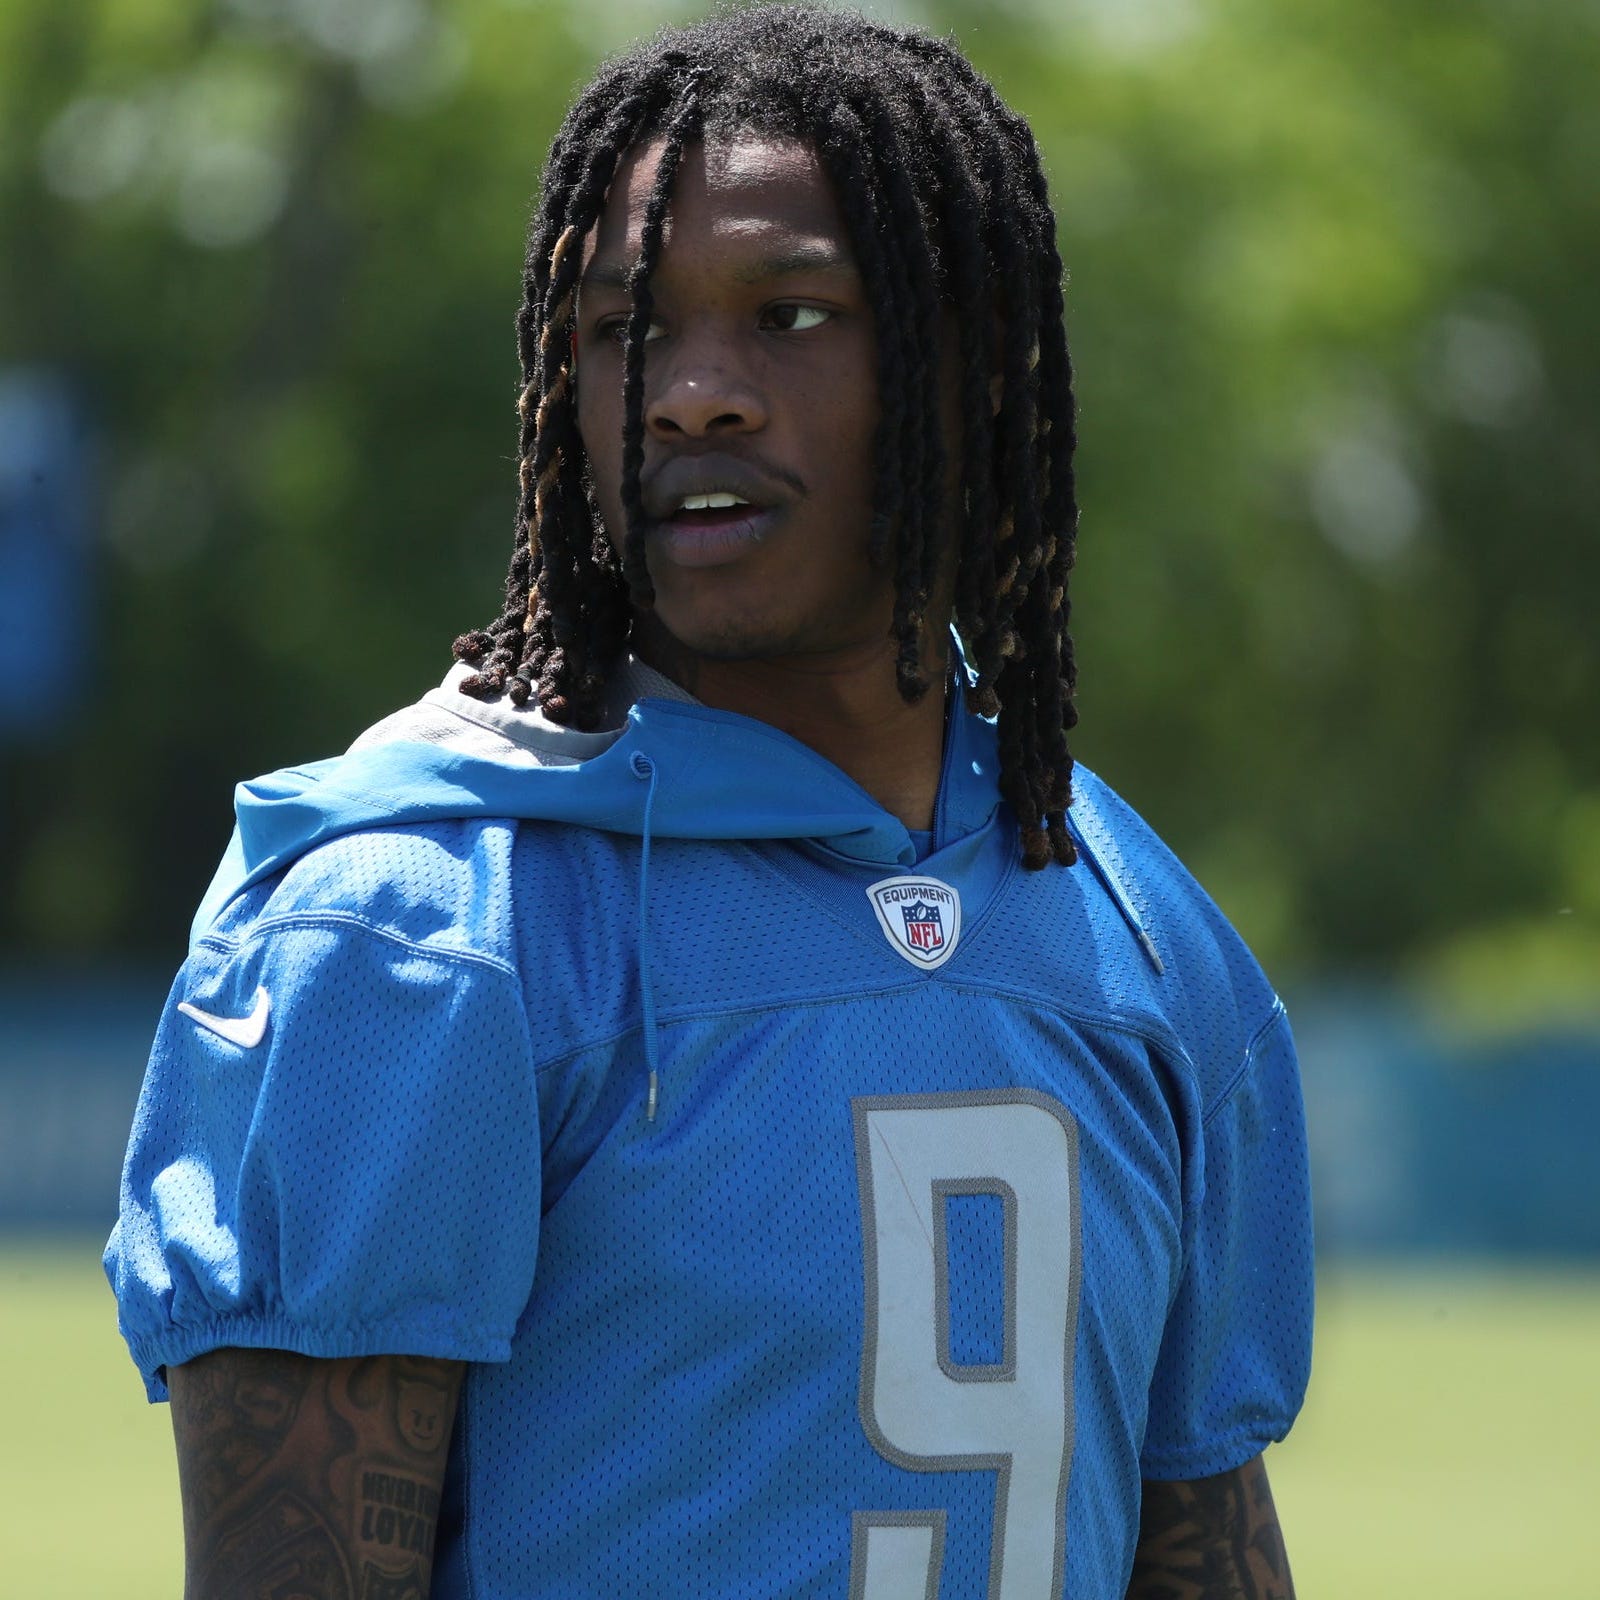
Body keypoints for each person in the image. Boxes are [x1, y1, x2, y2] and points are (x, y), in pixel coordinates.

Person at [105, 7, 1313, 1597]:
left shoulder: (1142, 936)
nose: (693, 397)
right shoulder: (413, 928)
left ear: (965, 368)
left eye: (794, 316)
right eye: (627, 331)